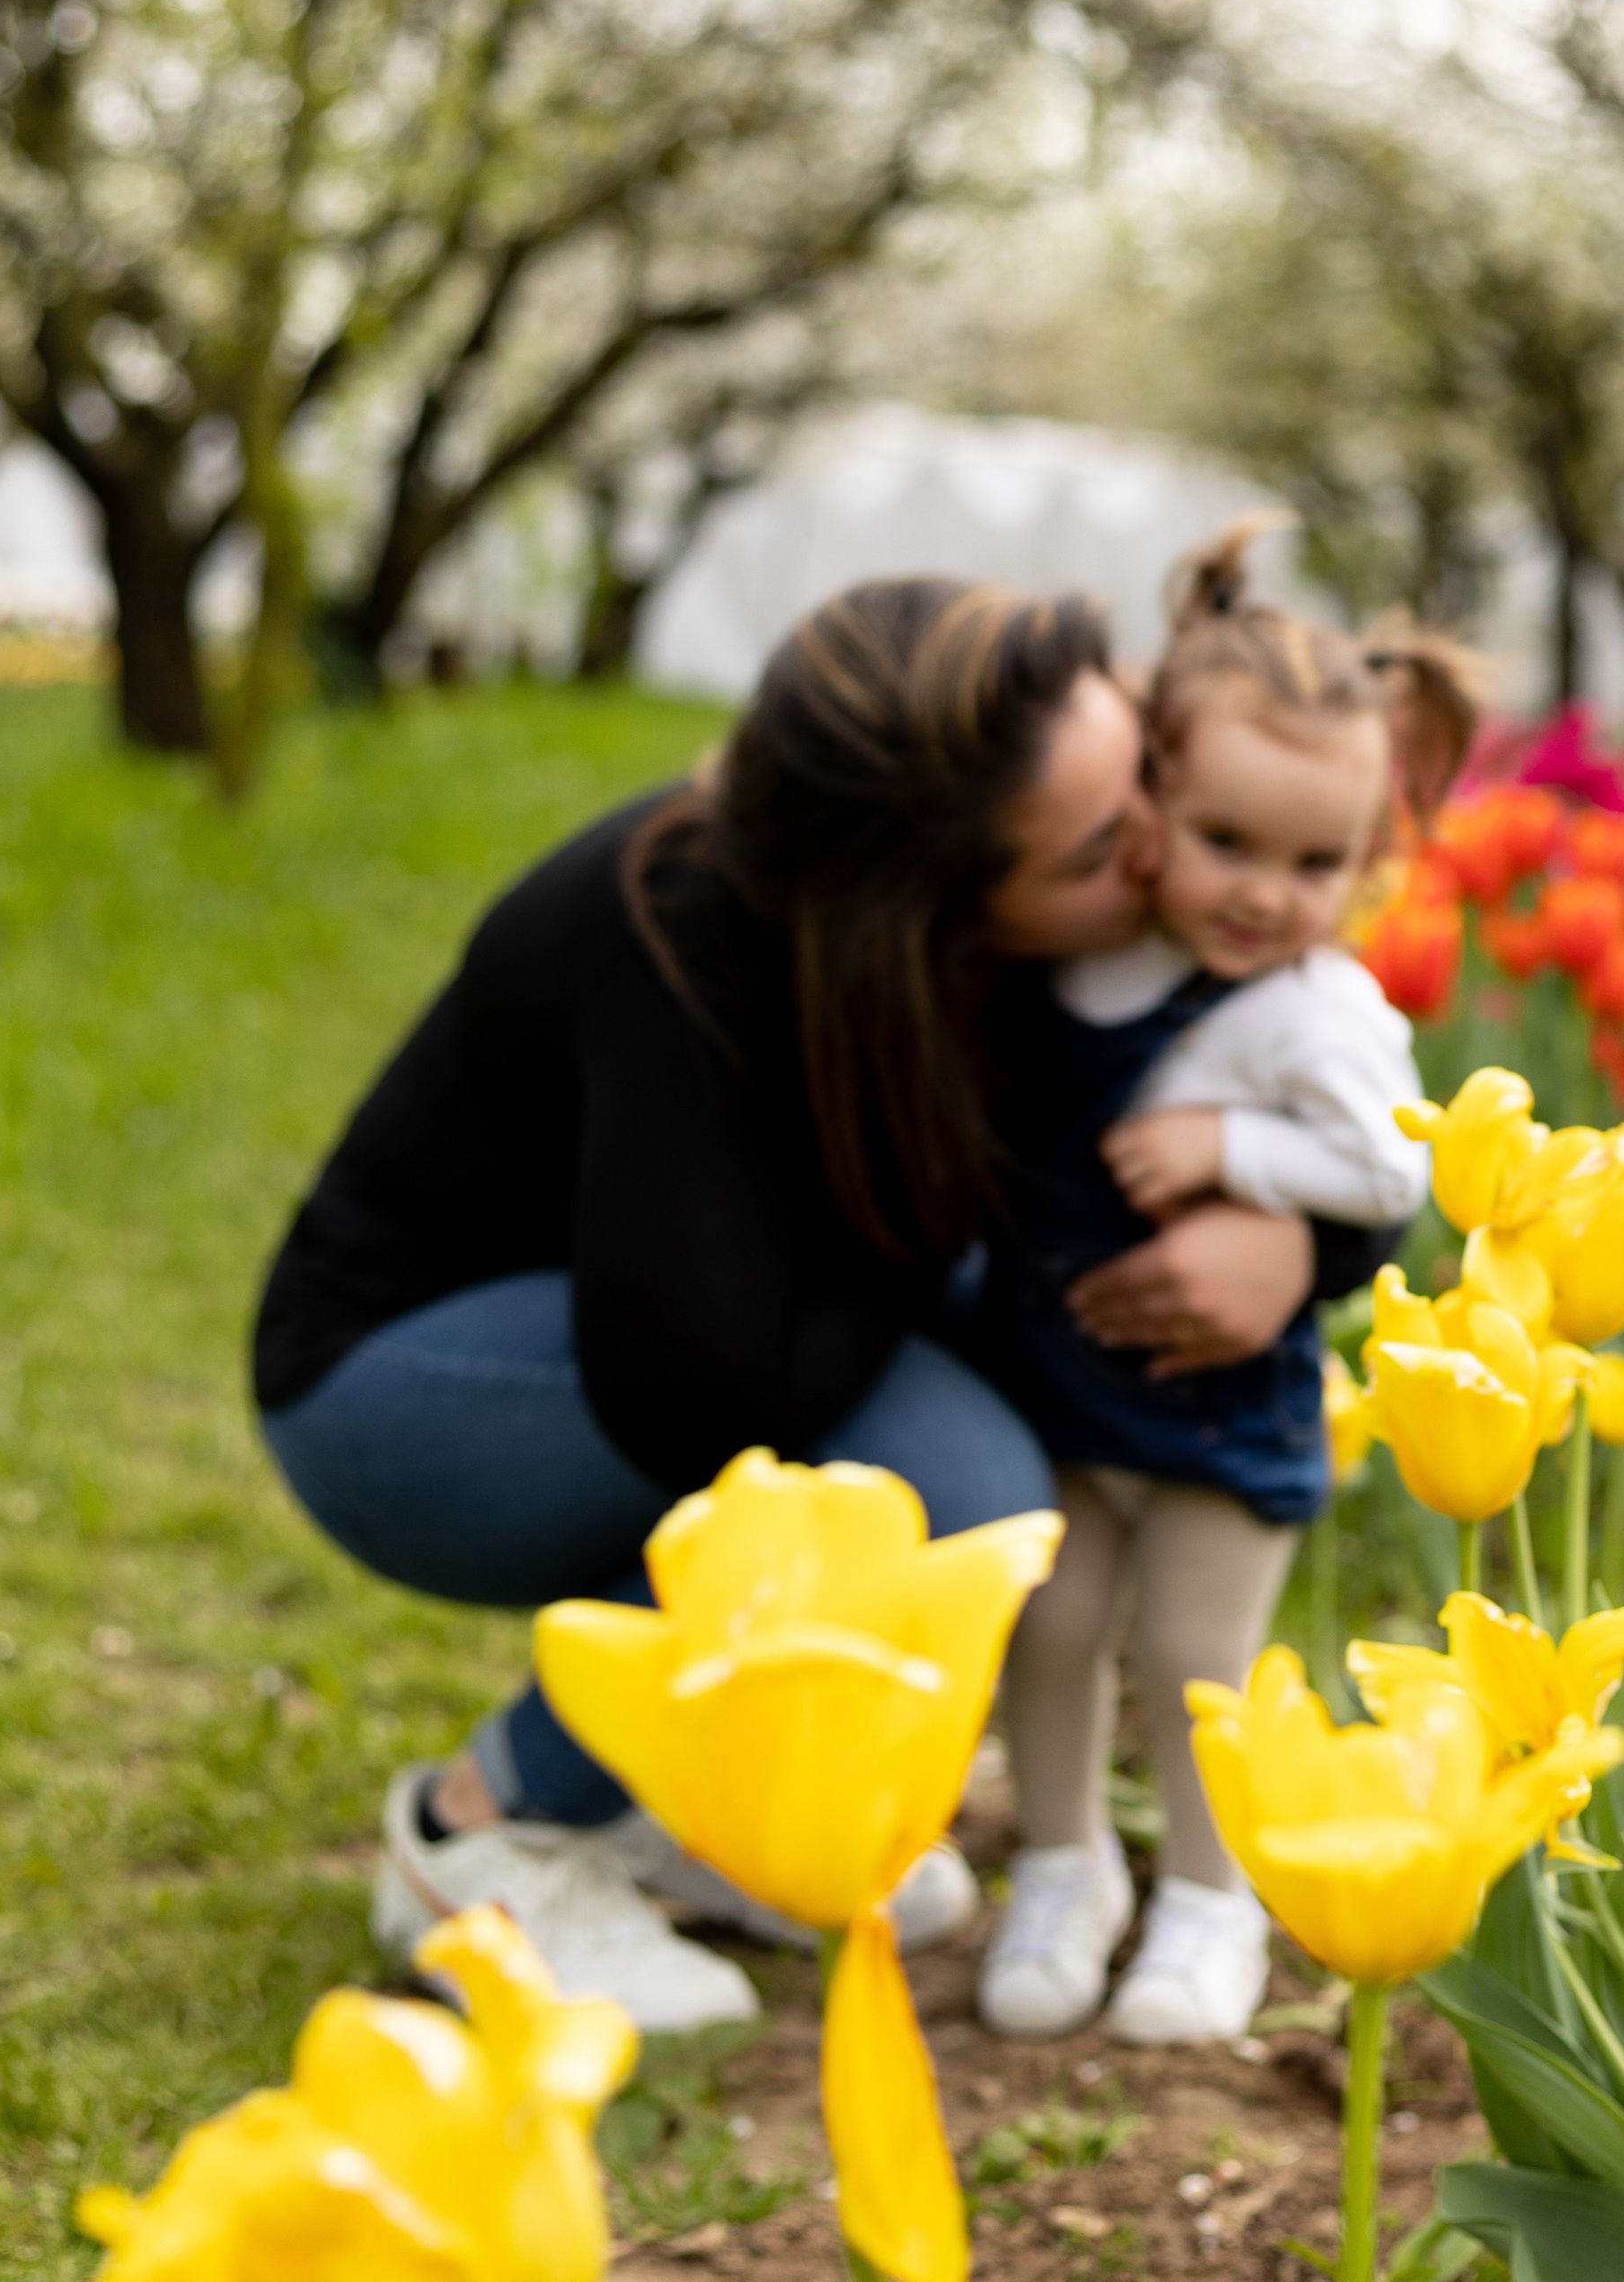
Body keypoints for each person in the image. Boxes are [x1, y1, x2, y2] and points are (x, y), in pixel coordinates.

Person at [253, 575, 1396, 2031]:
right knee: (953, 1501)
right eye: (1103, 842)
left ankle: (692, 1819)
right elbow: (694, 1395)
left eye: (1146, 779)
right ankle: (484, 1828)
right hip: (412, 1392)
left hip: (694, 1331)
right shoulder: (681, 942)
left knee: (961, 1463)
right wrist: (953, 1232)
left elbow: (1309, 1116)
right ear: (934, 900)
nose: (1162, 846)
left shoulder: (1015, 907)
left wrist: (1307, 1250)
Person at [970, 529, 1477, 2046]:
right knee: (1049, 1627)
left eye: (1316, 865)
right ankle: (1061, 1869)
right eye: (1227, 843)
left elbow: (1393, 1164)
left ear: (1369, 859)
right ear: (1150, 804)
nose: (1265, 895)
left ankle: (1210, 1896)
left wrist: (1233, 1149)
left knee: (1196, 1658)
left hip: (1215, 1406)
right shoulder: (1074, 963)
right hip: (1060, 1382)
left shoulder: (1312, 1012)